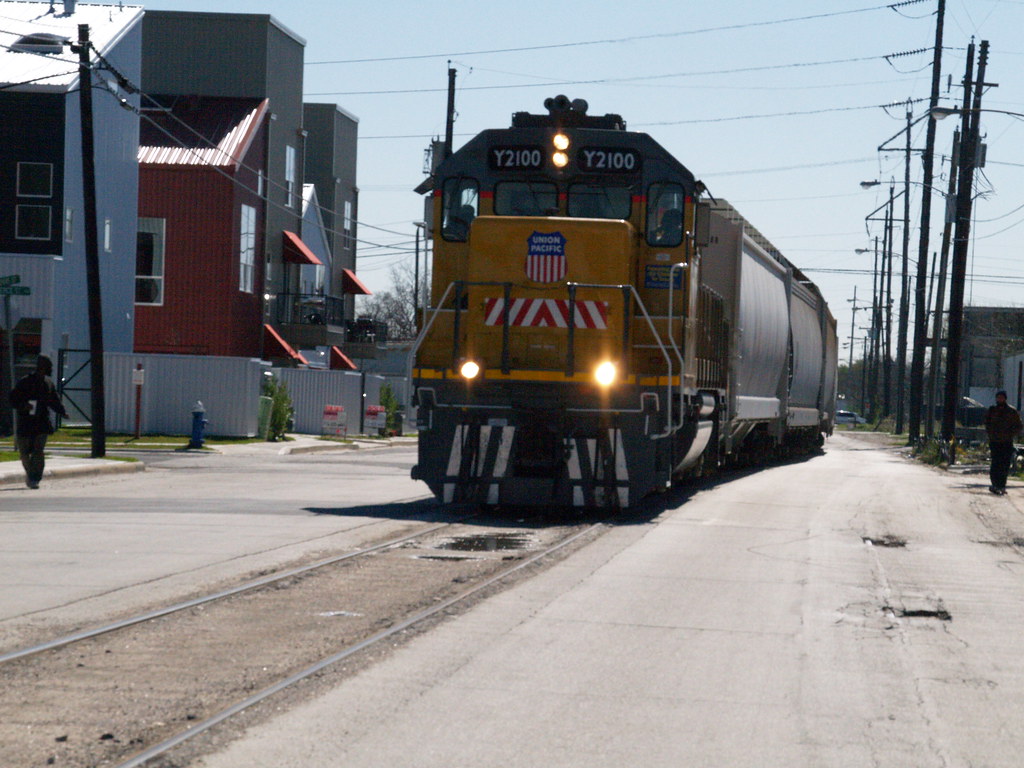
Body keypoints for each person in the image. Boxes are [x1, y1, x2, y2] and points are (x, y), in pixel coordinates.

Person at [8, 355, 68, 489]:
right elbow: (13, 399)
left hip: (42, 422)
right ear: (42, 368)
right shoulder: (25, 382)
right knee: (24, 453)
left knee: (38, 450)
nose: (51, 370)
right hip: (25, 422)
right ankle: (30, 473)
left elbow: (54, 400)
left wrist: (62, 412)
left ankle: (35, 477)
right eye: (49, 367)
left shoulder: (48, 383)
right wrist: (24, 406)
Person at [984, 390, 1022, 495]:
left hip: (1006, 442)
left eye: (1002, 397)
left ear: (1005, 398)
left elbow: (1018, 426)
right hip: (995, 442)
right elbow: (987, 424)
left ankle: (1002, 485)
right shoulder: (992, 410)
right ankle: (995, 484)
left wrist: (1010, 434)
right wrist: (991, 434)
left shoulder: (1011, 411)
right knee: (995, 463)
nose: (1000, 399)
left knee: (1004, 464)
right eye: (998, 397)